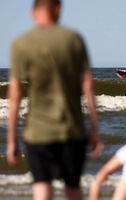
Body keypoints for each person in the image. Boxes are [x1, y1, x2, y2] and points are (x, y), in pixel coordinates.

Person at [7, 1, 102, 200]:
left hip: (37, 132)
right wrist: (94, 128)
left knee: (42, 188)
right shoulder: (73, 39)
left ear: (32, 13)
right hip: (72, 130)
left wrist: (12, 139)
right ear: (58, 9)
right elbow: (88, 84)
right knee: (72, 188)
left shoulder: (21, 43)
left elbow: (15, 93)